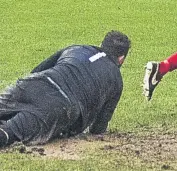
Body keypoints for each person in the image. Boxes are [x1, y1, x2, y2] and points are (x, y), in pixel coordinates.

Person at [0, 31, 131, 148]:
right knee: (8, 132)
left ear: (101, 44)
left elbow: (37, 70)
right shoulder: (116, 80)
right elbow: (98, 127)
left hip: (32, 85)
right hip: (58, 106)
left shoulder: (77, 48)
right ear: (121, 59)